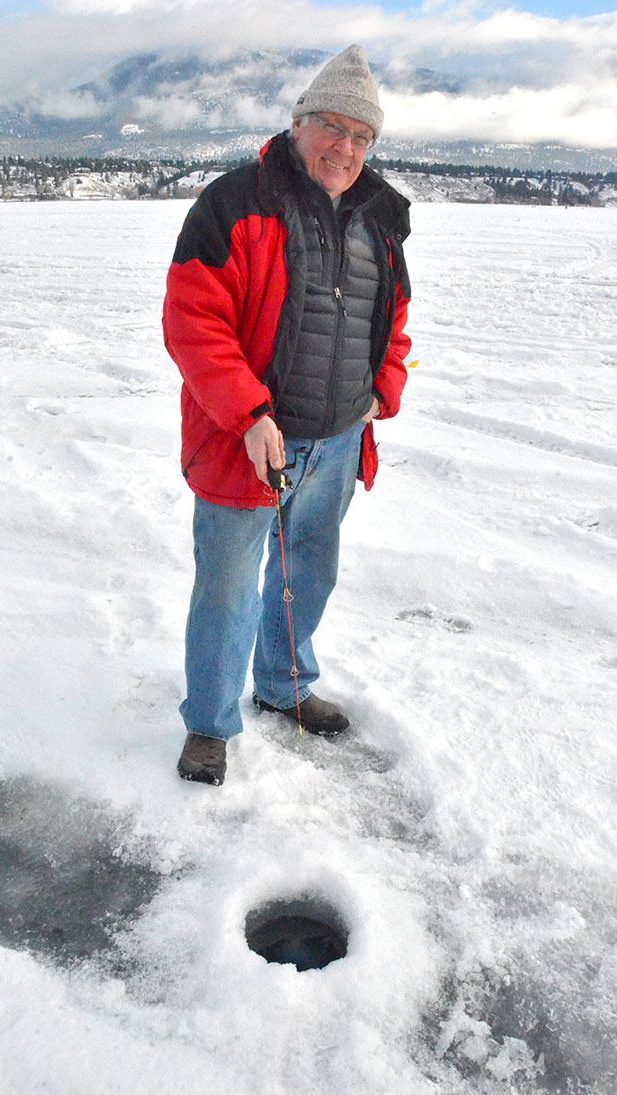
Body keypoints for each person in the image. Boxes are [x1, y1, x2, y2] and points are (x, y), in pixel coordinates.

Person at [163, 44, 411, 786]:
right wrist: (247, 412)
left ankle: (285, 684)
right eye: (331, 127)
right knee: (229, 584)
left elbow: (393, 320)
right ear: (297, 122)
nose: (344, 147)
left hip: (337, 438)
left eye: (360, 136)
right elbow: (192, 321)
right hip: (250, 441)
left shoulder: (379, 218)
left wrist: (380, 392)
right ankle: (208, 724)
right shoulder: (235, 203)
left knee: (307, 570)